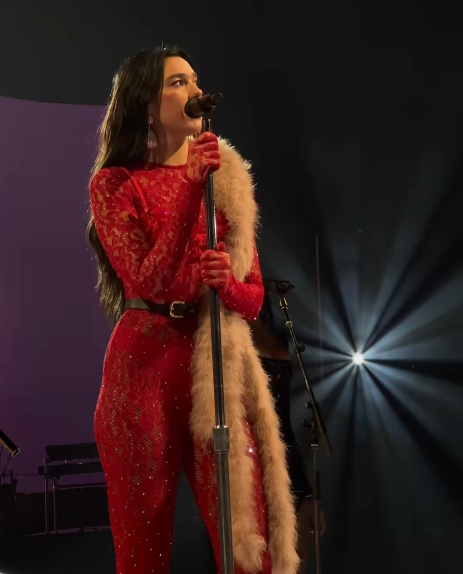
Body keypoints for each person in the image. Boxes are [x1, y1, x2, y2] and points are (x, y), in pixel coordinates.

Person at [86, 47, 299, 574]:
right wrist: (187, 189)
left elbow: (253, 298)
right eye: (178, 82)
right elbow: (148, 281)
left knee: (247, 540)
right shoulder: (115, 184)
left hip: (216, 364)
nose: (196, 91)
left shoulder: (225, 179)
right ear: (146, 104)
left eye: (195, 80)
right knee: (143, 549)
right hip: (143, 372)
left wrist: (228, 284)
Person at [249, 288, 326, 574]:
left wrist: (308, 493)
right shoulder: (229, 335)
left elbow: (284, 424)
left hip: (283, 452)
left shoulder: (278, 333)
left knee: (293, 560)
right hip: (250, 458)